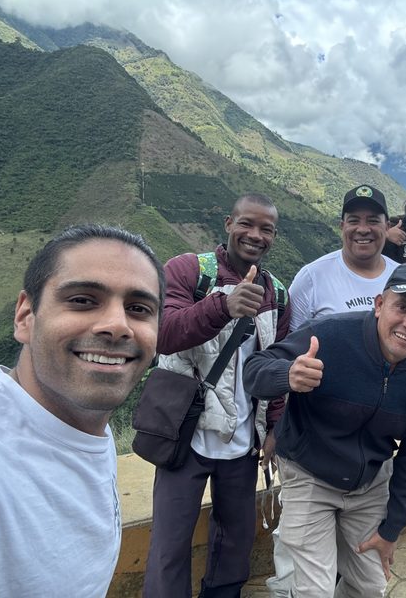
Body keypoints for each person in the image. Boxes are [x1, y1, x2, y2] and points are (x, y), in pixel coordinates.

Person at [243, 263, 406, 598]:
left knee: (370, 587)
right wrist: (288, 376)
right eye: (402, 307)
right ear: (380, 304)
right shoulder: (329, 335)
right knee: (314, 590)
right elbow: (253, 371)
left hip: (369, 481)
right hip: (309, 472)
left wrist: (391, 529)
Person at [0, 224, 163, 597]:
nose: (117, 326)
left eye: (138, 309)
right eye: (82, 299)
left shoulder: (85, 427)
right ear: (25, 317)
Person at [142, 194, 290, 598]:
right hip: (186, 434)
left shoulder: (276, 292)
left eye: (266, 229)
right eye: (247, 224)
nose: (255, 235)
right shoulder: (190, 270)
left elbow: (276, 365)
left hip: (242, 441)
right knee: (170, 544)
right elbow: (165, 334)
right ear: (228, 223)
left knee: (235, 539)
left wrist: (275, 426)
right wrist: (222, 307)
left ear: (274, 236)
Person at [288, 184, 397, 330]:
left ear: (387, 227)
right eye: (354, 221)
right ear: (342, 226)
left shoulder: (401, 277)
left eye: (373, 221)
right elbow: (288, 342)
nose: (363, 229)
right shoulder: (311, 277)